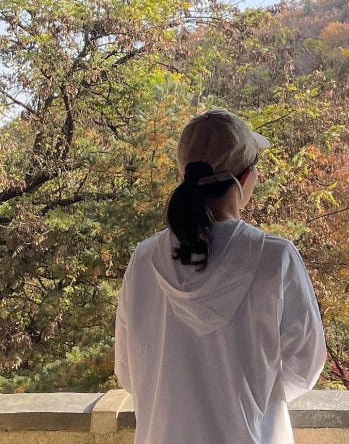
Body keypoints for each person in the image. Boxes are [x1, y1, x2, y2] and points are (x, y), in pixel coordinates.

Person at [115, 108, 327, 444]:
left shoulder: (144, 259)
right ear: (245, 178)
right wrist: (251, 393)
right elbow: (304, 366)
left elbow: (129, 371)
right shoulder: (274, 258)